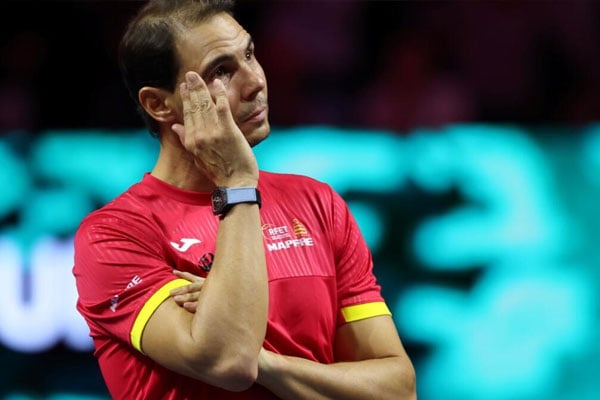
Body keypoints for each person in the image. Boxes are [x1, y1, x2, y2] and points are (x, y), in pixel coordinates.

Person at [72, 1, 416, 399]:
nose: (255, 82)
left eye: (250, 54)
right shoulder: (114, 235)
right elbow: (229, 363)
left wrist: (265, 361)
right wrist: (236, 182)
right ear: (159, 104)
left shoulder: (318, 204)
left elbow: (397, 390)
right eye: (221, 71)